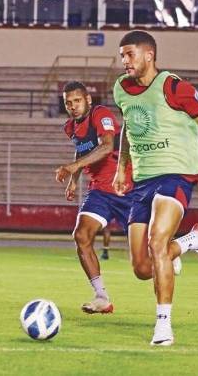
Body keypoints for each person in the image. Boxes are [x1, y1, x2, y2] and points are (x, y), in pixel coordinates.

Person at [112, 30, 198, 346]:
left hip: (176, 173)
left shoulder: (173, 87)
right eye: (122, 56)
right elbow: (128, 127)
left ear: (149, 55)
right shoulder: (121, 89)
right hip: (143, 178)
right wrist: (121, 167)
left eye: (130, 54)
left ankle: (163, 325)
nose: (125, 61)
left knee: (157, 241)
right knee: (142, 267)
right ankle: (192, 240)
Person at [55, 81, 134, 315]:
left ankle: (191, 240)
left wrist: (73, 166)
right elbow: (82, 149)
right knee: (81, 235)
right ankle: (102, 297)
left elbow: (107, 146)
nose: (72, 106)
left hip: (125, 188)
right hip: (99, 190)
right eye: (68, 103)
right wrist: (73, 179)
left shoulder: (100, 114)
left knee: (146, 261)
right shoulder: (70, 127)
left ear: (88, 100)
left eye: (77, 101)